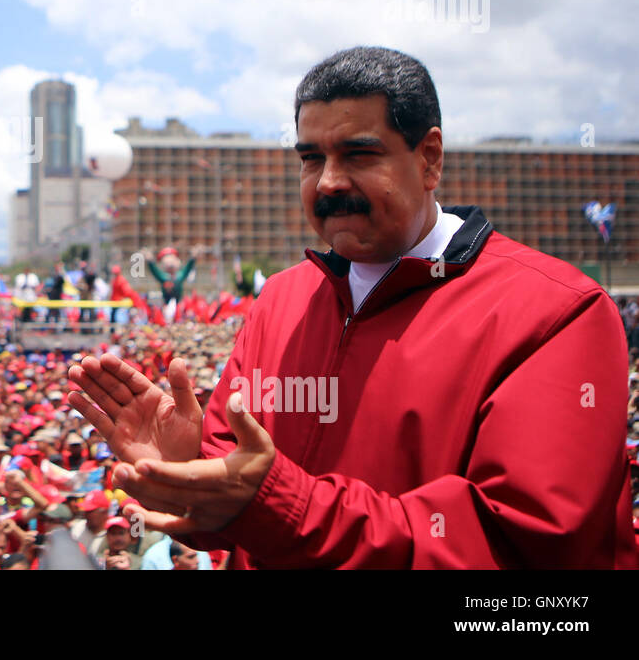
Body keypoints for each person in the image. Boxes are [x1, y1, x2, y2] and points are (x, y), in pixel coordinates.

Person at [69, 45, 638, 569]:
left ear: (430, 159)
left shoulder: (558, 313)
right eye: (311, 158)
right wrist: (187, 465)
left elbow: (523, 546)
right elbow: (240, 492)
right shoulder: (282, 299)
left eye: (359, 154)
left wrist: (280, 505)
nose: (329, 182)